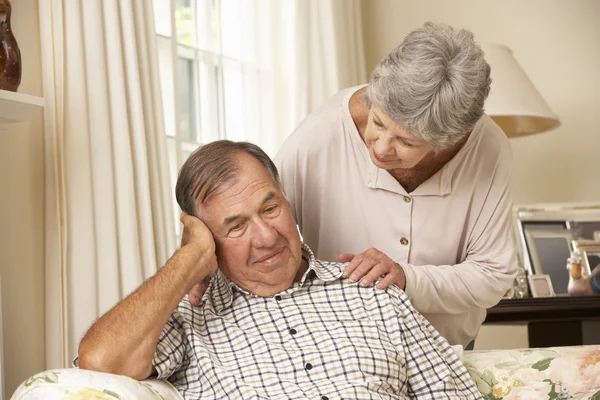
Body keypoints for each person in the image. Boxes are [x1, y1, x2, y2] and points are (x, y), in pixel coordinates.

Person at [77, 140, 482, 399]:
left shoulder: (372, 290)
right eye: (236, 226)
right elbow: (100, 360)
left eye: (270, 209)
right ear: (203, 236)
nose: (267, 237)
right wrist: (187, 261)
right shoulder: (189, 320)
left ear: (287, 201)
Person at [274, 22, 518, 348]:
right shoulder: (319, 134)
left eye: (405, 141)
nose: (381, 147)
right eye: (377, 122)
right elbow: (260, 221)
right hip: (341, 350)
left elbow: (494, 275)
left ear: (448, 141)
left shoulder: (488, 148)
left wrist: (407, 278)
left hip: (448, 348)